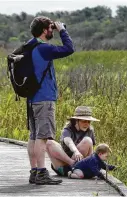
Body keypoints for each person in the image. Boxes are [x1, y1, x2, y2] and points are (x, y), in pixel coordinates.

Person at [27, 16, 74, 185]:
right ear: (44, 31)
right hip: (44, 98)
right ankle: (41, 172)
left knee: (33, 136)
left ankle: (34, 171)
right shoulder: (44, 48)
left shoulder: (30, 45)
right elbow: (69, 48)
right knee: (43, 137)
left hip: (32, 99)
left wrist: (53, 27)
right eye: (50, 28)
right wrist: (62, 30)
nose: (51, 30)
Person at [46, 106, 99, 176]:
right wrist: (76, 151)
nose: (87, 124)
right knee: (49, 142)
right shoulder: (68, 129)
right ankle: (72, 166)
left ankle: (80, 169)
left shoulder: (90, 131)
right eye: (84, 121)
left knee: (88, 140)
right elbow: (68, 141)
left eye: (88, 122)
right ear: (76, 121)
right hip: (63, 165)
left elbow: (91, 151)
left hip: (80, 164)